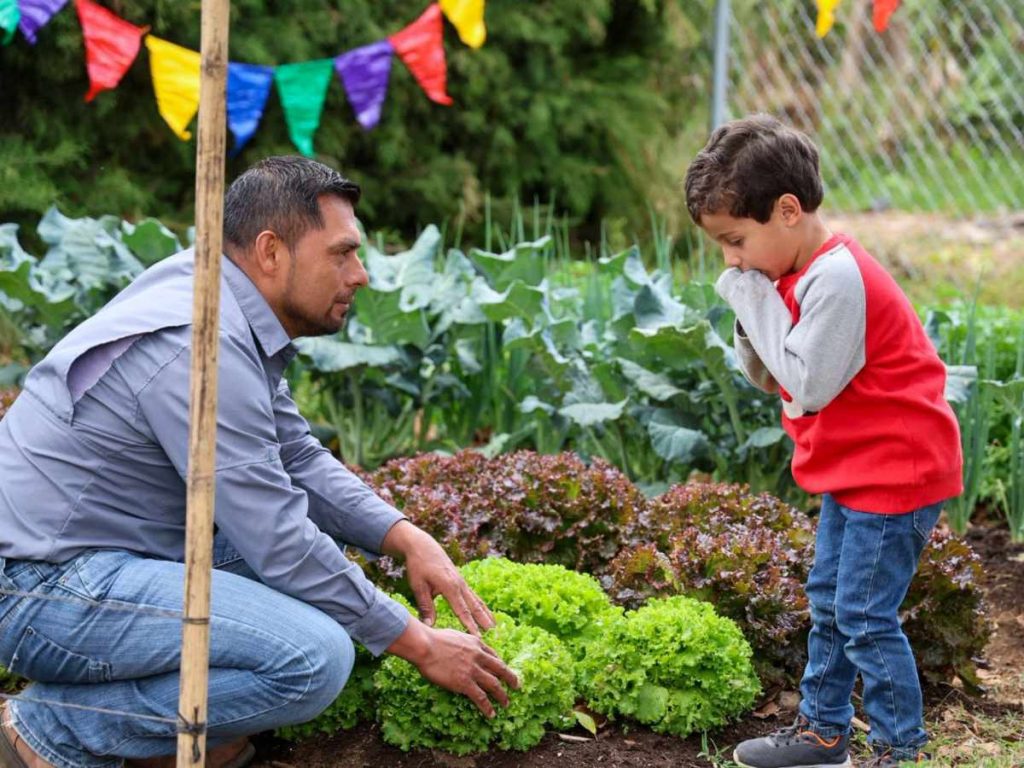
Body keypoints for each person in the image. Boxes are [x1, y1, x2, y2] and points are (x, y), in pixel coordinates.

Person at [0, 156, 519, 768]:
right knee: (313, 659)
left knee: (326, 562)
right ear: (271, 251)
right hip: (38, 588)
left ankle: (152, 733)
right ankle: (49, 731)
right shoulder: (200, 343)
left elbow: (295, 456)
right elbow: (279, 540)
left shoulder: (221, 300)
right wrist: (421, 645)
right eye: (342, 254)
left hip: (100, 555)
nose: (360, 275)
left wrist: (404, 537)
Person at [683, 115, 963, 768]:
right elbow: (770, 374)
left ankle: (898, 751)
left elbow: (806, 385)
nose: (732, 261)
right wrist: (752, 303)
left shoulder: (836, 279)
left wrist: (746, 294)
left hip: (897, 472)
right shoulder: (794, 271)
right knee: (830, 605)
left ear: (788, 211)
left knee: (864, 616)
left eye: (735, 241)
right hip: (856, 469)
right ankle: (823, 733)